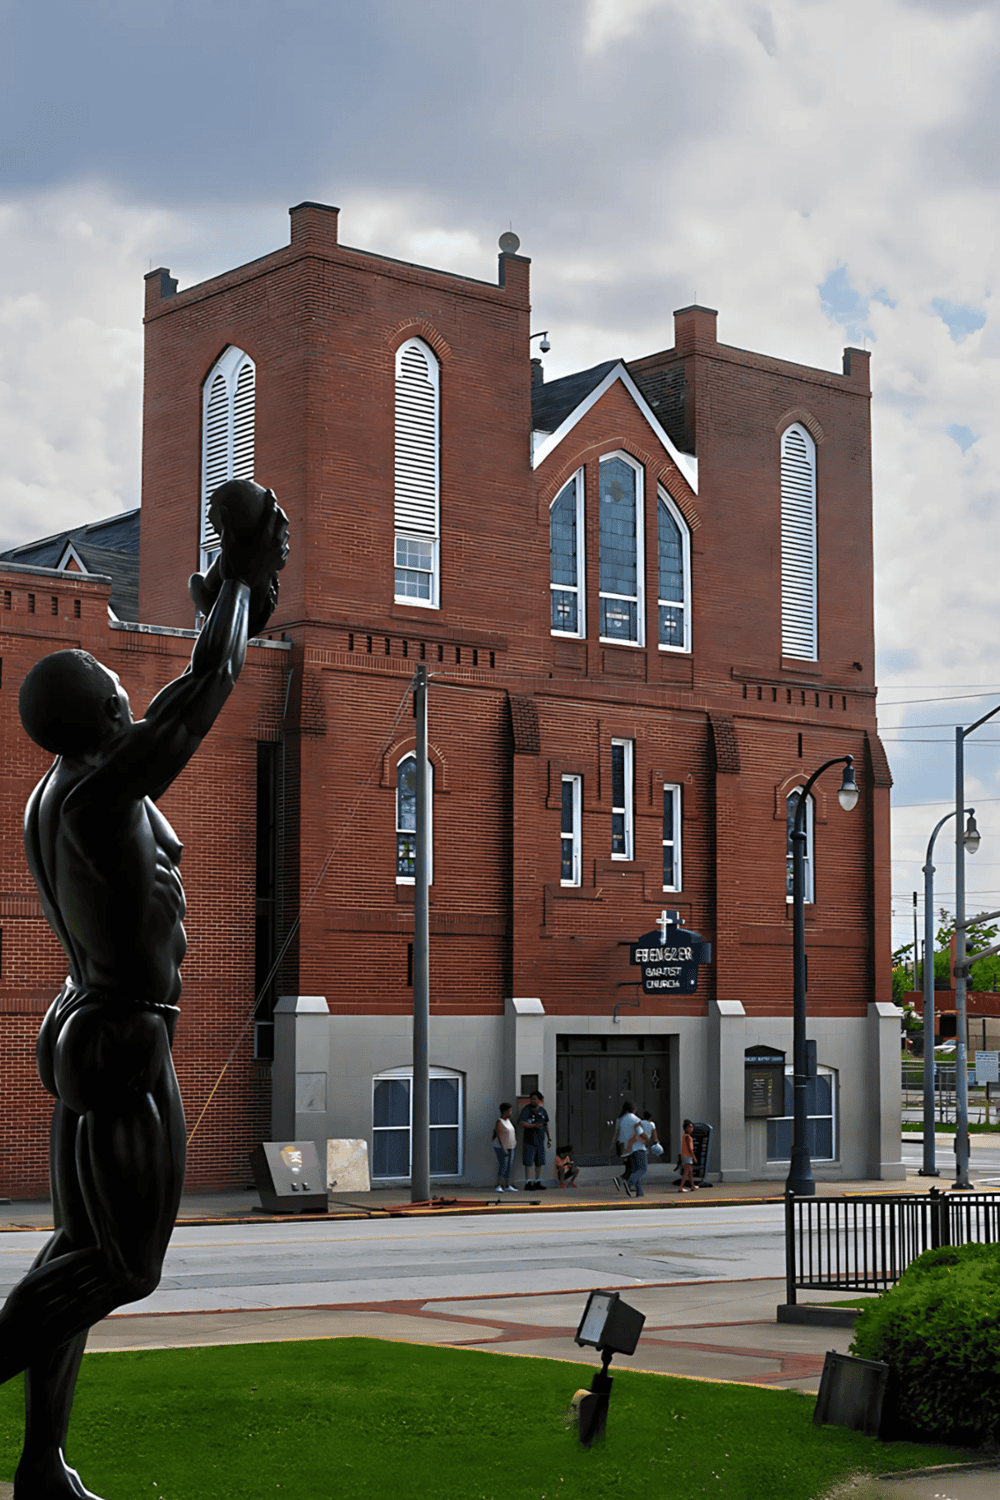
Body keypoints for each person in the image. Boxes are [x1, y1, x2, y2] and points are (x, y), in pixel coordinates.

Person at [0, 480, 288, 1500]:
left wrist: (226, 593)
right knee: (124, 1267)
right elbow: (207, 684)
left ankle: (41, 1466)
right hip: (122, 1028)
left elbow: (200, 674)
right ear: (99, 712)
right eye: (116, 689)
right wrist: (244, 581)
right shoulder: (100, 786)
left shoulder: (63, 790)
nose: (133, 697)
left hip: (91, 1016)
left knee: (73, 1258)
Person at [518, 1089, 551, 1190]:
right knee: (528, 1162)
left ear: (539, 1100)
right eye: (531, 1099)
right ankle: (528, 1183)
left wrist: (549, 1138)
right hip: (529, 1140)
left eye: (535, 1099)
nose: (533, 1100)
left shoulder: (542, 1110)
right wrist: (534, 1125)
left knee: (539, 1162)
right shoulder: (526, 1110)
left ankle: (538, 1182)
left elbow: (545, 1124)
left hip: (540, 1141)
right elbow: (521, 1123)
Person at [610, 1099, 642, 1196]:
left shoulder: (619, 1119)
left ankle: (629, 1187)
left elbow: (616, 1134)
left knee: (629, 1166)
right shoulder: (633, 1119)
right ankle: (621, 1180)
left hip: (621, 1146)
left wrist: (612, 1146)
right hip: (630, 1146)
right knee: (633, 1167)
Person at [492, 1102, 517, 1192]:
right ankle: (499, 1185)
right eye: (509, 1111)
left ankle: (507, 1185)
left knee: (509, 1166)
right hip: (502, 1147)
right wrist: (503, 1148)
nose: (511, 1112)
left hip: (511, 1146)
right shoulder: (500, 1122)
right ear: (504, 1111)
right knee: (503, 1165)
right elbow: (499, 1136)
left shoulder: (508, 1121)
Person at [624, 1116, 649, 1197]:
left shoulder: (628, 1128)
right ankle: (629, 1182)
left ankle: (639, 1192)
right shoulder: (637, 1126)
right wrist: (646, 1141)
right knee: (643, 1169)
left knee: (636, 1170)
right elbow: (640, 1136)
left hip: (633, 1151)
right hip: (640, 1149)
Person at [679, 1118, 698, 1192]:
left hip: (684, 1156)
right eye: (690, 1127)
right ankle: (681, 1187)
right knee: (686, 1173)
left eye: (692, 1127)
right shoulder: (688, 1137)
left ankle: (693, 1186)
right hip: (688, 1156)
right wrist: (694, 1157)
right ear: (686, 1128)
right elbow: (691, 1149)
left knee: (690, 1173)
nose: (692, 1128)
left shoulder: (684, 1136)